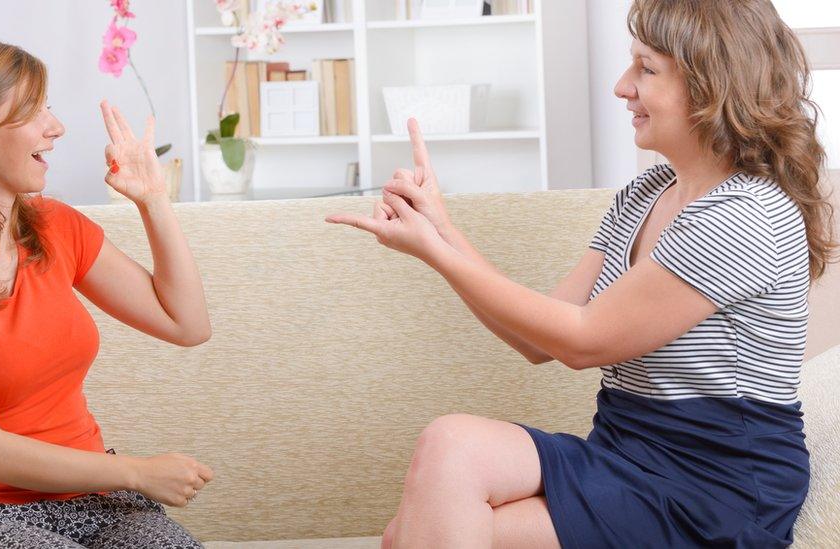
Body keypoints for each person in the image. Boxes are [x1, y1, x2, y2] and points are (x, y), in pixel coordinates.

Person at [326, 0, 836, 546]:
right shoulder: (646, 192)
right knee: (437, 472)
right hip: (627, 448)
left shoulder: (745, 215)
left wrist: (437, 251)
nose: (622, 87)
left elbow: (583, 342)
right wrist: (441, 230)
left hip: (715, 484)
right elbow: (540, 340)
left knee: (424, 516)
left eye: (646, 68)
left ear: (714, 85)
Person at [0, 38, 213, 548]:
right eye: (34, 111)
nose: (55, 127)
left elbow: (186, 325)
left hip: (95, 502)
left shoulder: (55, 226)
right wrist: (135, 473)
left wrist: (153, 200)